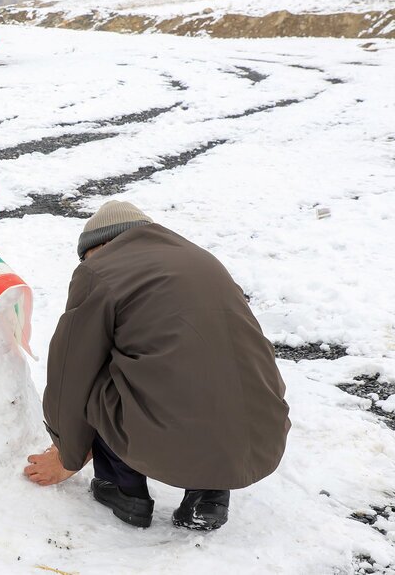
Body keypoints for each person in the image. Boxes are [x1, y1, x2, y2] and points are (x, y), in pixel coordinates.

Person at [24, 201, 290, 531]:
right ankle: (209, 495)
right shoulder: (202, 260)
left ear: (99, 246)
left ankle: (124, 489)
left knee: (93, 368)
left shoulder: (99, 270)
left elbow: (70, 373)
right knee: (203, 358)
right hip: (262, 432)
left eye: (85, 256)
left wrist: (68, 453)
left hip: (176, 428)